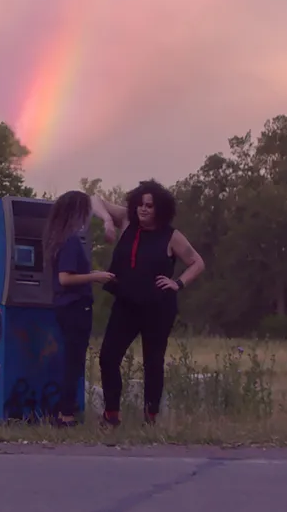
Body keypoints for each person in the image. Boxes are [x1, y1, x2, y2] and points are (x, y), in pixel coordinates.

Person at [90, 180, 205, 427]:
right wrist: (108, 221)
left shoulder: (171, 236)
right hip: (126, 304)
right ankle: (111, 415)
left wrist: (179, 283)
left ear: (160, 209)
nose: (143, 209)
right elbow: (94, 199)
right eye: (141, 204)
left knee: (153, 361)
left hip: (158, 307)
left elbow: (197, 262)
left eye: (150, 206)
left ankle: (150, 417)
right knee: (108, 357)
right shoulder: (127, 221)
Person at [43, 190, 115, 427]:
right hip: (75, 307)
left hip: (64, 307)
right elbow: (65, 278)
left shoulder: (58, 238)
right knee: (74, 361)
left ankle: (65, 411)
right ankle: (66, 415)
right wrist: (95, 277)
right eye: (85, 211)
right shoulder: (71, 240)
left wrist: (91, 274)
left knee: (71, 359)